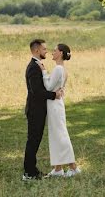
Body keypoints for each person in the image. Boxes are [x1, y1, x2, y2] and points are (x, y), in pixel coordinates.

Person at [22, 39, 63, 181]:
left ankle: (32, 170)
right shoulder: (33, 67)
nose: (46, 51)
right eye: (44, 49)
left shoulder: (38, 65)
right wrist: (54, 95)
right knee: (33, 141)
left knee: (35, 140)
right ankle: (28, 173)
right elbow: (37, 91)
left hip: (38, 110)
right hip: (35, 110)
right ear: (37, 50)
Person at [42, 43, 80, 178]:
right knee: (56, 135)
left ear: (61, 53)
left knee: (61, 135)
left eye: (55, 51)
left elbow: (49, 87)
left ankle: (73, 167)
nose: (52, 52)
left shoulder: (58, 69)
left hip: (54, 105)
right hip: (56, 104)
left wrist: (44, 72)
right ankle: (58, 169)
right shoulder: (62, 69)